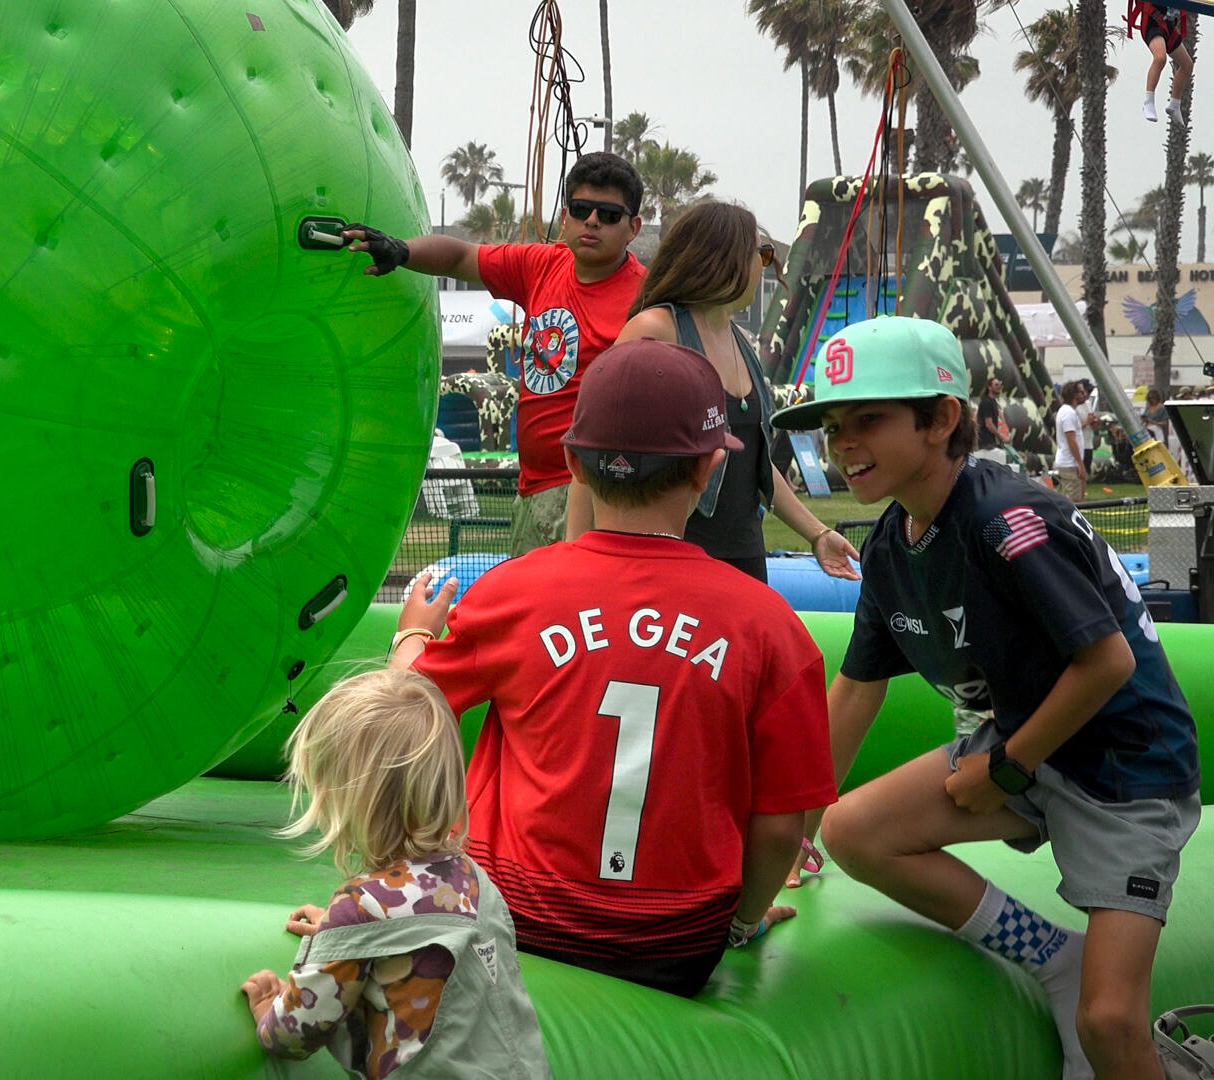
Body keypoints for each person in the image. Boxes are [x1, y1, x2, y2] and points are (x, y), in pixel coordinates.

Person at [770, 316, 1201, 1080]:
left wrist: (1004, 766)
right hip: (1025, 747)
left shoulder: (1006, 519)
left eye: (868, 419)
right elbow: (854, 693)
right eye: (834, 427)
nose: (842, 444)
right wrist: (786, 838)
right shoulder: (892, 543)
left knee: (1109, 1022)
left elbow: (1105, 661)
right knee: (855, 831)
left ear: (940, 421)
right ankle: (1051, 960)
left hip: (1124, 767)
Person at [390, 338, 836, 997]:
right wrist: (738, 924)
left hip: (509, 918)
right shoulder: (771, 626)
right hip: (677, 940)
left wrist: (411, 640)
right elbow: (781, 828)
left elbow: (402, 711)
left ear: (572, 460)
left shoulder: (513, 594)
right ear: (708, 468)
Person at [241, 668, 551, 1079]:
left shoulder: (361, 906)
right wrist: (342, 937)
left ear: (346, 799)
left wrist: (269, 1011)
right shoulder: (477, 881)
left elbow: (295, 1034)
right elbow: (420, 941)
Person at [342, 152, 647, 555]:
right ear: (566, 214)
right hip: (530, 488)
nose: (592, 221)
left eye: (608, 214)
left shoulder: (646, 298)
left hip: (595, 496)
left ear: (633, 227)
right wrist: (401, 250)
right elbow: (461, 257)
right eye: (580, 208)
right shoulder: (541, 265)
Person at [613, 200, 861, 582]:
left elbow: (755, 465)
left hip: (744, 558)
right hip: (675, 558)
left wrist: (819, 533)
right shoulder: (655, 330)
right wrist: (583, 557)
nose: (766, 266)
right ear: (723, 258)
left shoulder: (741, 342)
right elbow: (599, 450)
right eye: (760, 254)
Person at [1131, 1, 1195, 124]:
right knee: (1160, 58)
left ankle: (1174, 104)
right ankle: (1148, 102)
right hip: (1152, 22)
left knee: (1187, 65)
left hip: (1168, 25)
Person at [1053, 379, 1092, 502]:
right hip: (1069, 464)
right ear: (1074, 394)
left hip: (1071, 462)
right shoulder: (1068, 413)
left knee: (1079, 499)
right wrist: (1080, 465)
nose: (1084, 394)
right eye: (1081, 392)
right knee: (1074, 502)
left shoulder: (1069, 412)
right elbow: (1071, 441)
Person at [975, 374, 1013, 465]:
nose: (999, 386)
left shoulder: (993, 402)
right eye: (996, 385)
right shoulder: (986, 402)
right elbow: (989, 424)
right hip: (986, 443)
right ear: (989, 387)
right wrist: (1001, 436)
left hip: (990, 442)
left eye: (999, 384)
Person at [1145, 385, 1171, 450]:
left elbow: (1164, 422)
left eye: (1153, 398)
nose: (1151, 400)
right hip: (1148, 429)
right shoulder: (1148, 408)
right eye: (1150, 398)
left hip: (1157, 430)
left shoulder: (1161, 408)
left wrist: (1153, 422)